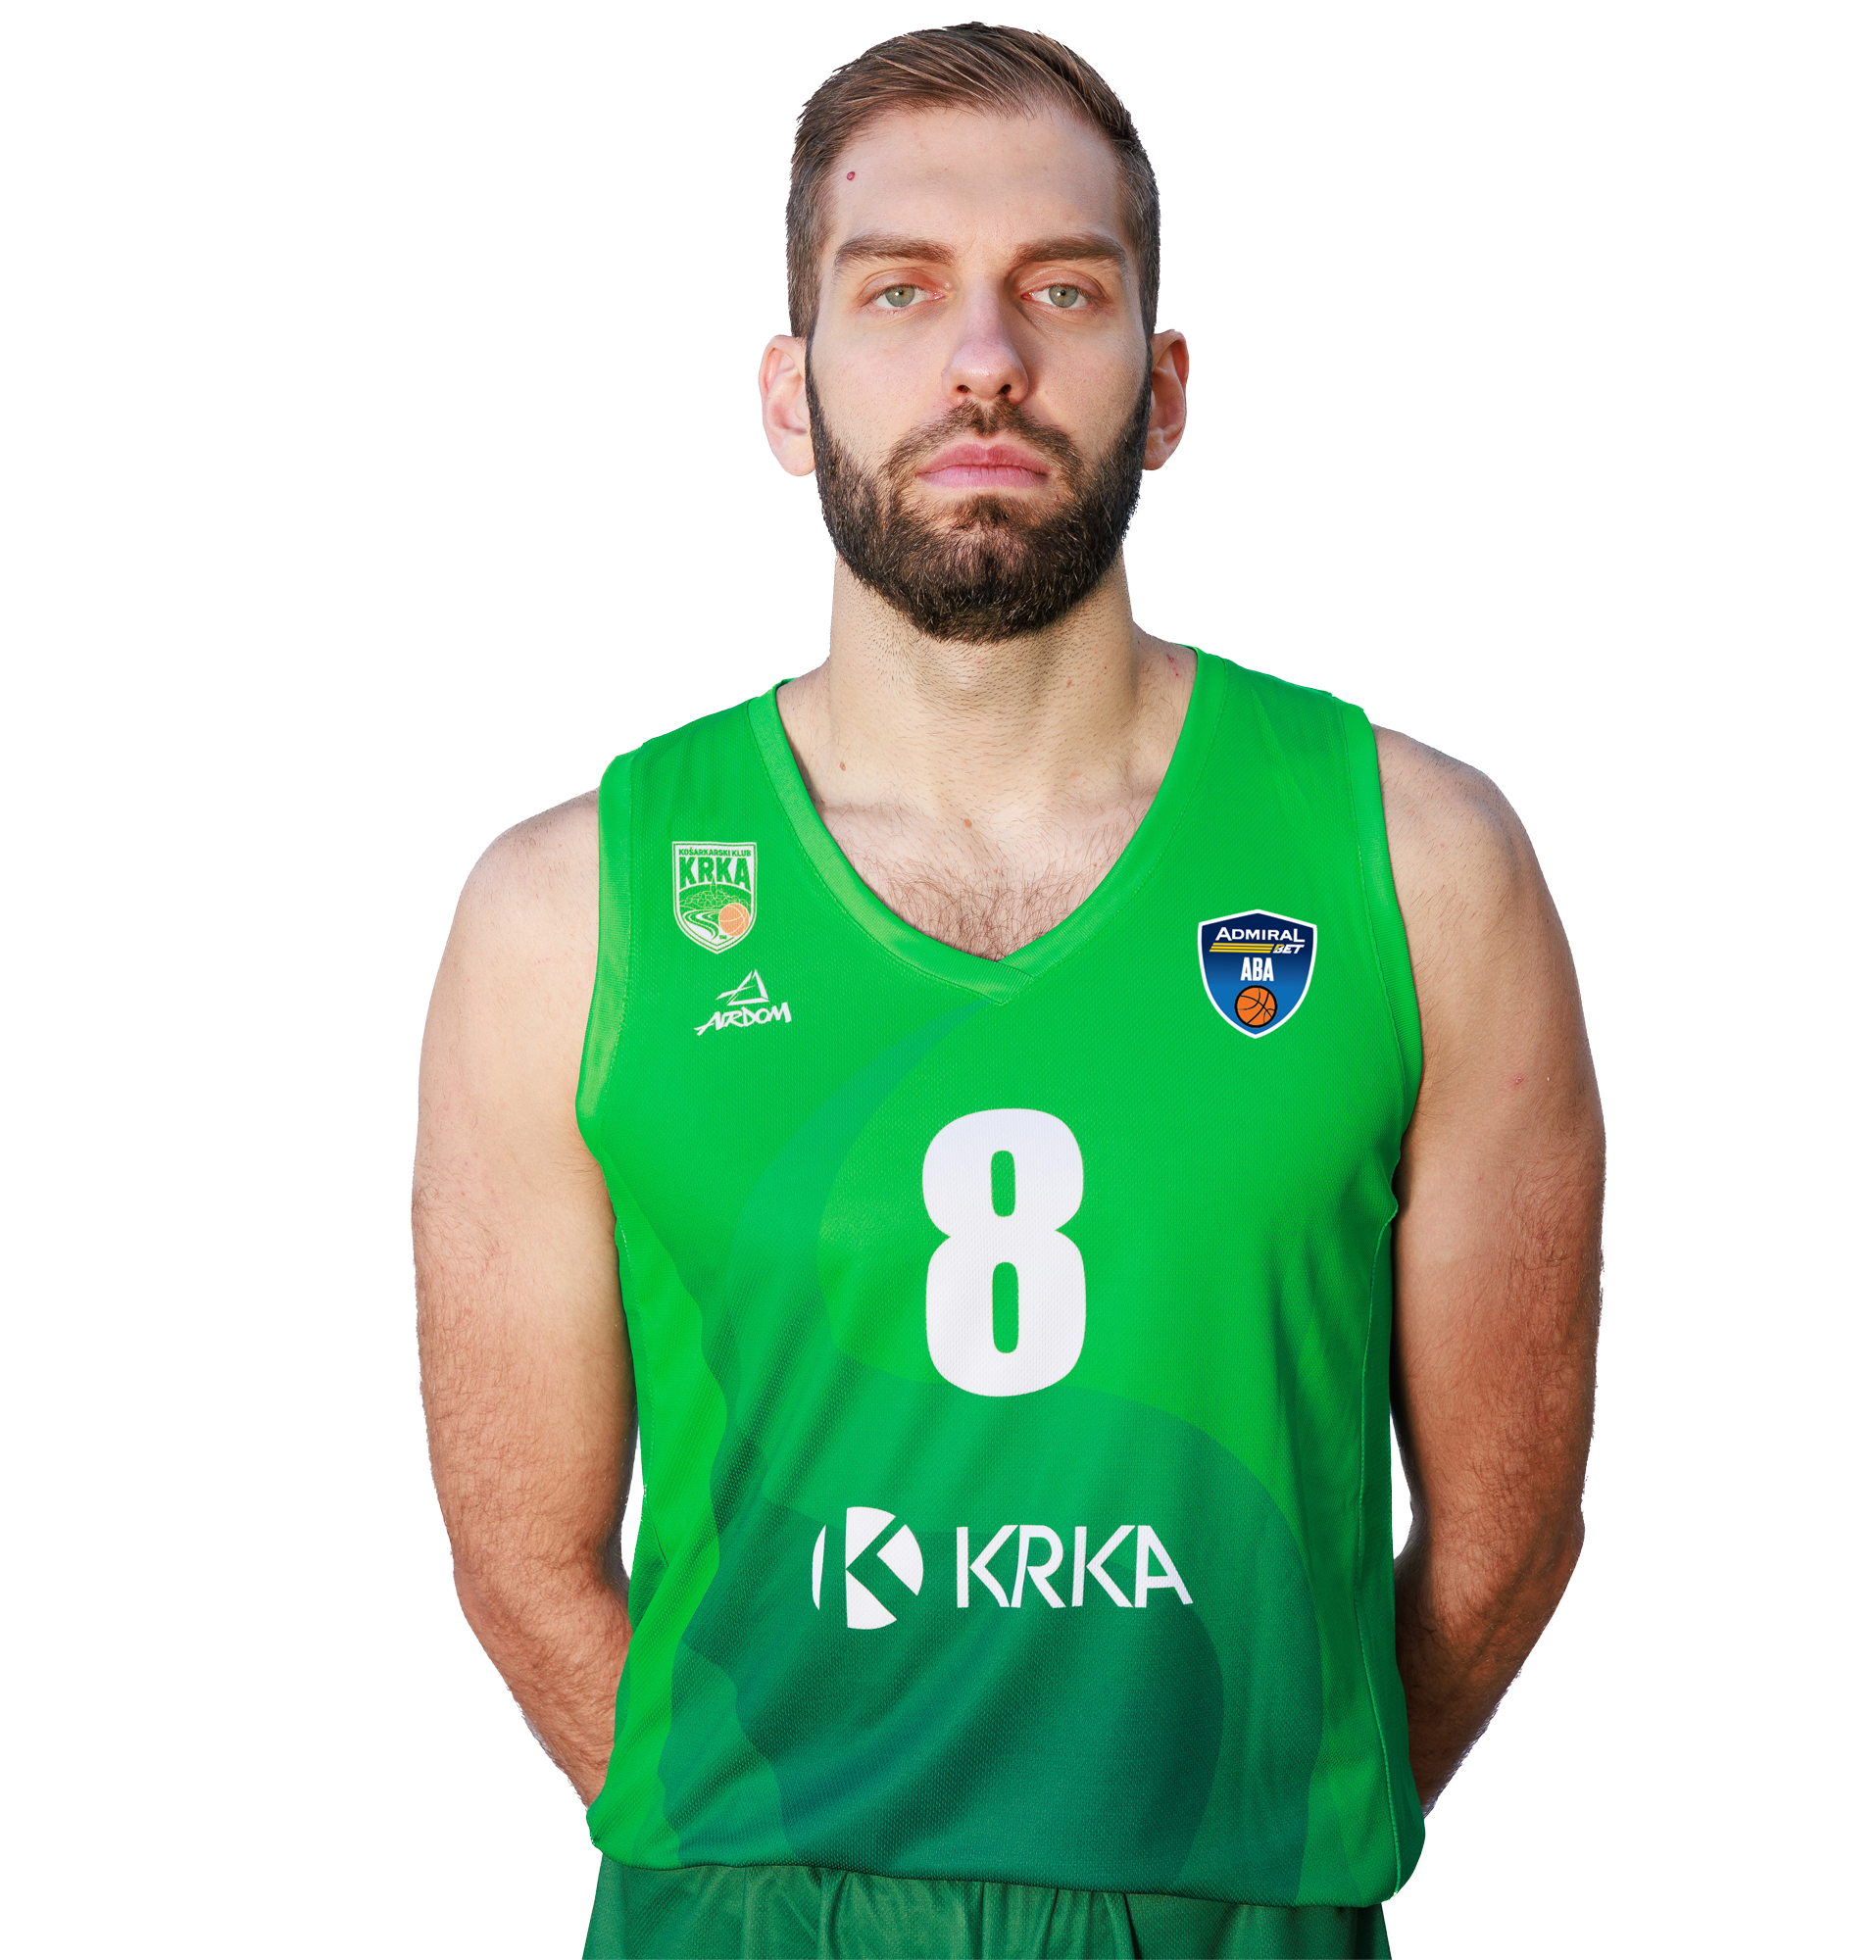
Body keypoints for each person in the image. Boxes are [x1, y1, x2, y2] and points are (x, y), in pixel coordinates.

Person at [414, 23, 1604, 1959]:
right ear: (790, 390)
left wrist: (1244, 1848)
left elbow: (1505, 1535)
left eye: (1062, 290)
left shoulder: (1419, 867)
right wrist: (765, 1870)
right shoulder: (570, 912)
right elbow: (521, 1562)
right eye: (900, 293)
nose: (984, 358)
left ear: (1166, 384)